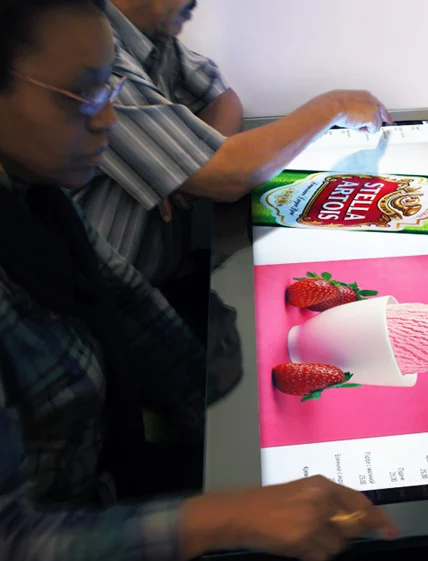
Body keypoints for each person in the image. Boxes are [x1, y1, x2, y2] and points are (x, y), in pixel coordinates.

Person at [0, 1, 395, 559]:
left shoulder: (42, 199)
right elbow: (15, 540)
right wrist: (219, 517)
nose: (108, 120)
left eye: (112, 91)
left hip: (114, 463)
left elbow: (138, 316)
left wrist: (258, 417)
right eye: (86, 94)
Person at [72, 0, 391, 330]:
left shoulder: (151, 35)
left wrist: (192, 162)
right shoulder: (89, 48)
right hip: (104, 312)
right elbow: (228, 177)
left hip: (166, 281)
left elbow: (221, 96)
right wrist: (332, 106)